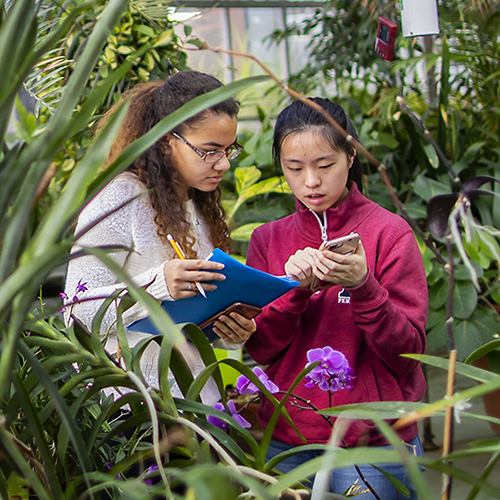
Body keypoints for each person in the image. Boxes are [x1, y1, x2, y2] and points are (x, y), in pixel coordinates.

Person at [244, 98, 428, 498]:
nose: (310, 181)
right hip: (286, 439)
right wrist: (294, 292)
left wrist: (364, 287)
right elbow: (261, 348)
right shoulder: (268, 240)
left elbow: (408, 353)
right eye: (294, 169)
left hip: (374, 442)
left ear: (350, 155)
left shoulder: (389, 234)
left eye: (324, 165)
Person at [64, 70, 256, 404]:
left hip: (192, 403)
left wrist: (231, 332)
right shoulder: (121, 197)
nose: (223, 163)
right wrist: (157, 285)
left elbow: (195, 319)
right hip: (132, 409)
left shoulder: (198, 203)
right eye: (210, 150)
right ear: (168, 141)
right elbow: (76, 310)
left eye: (229, 149)